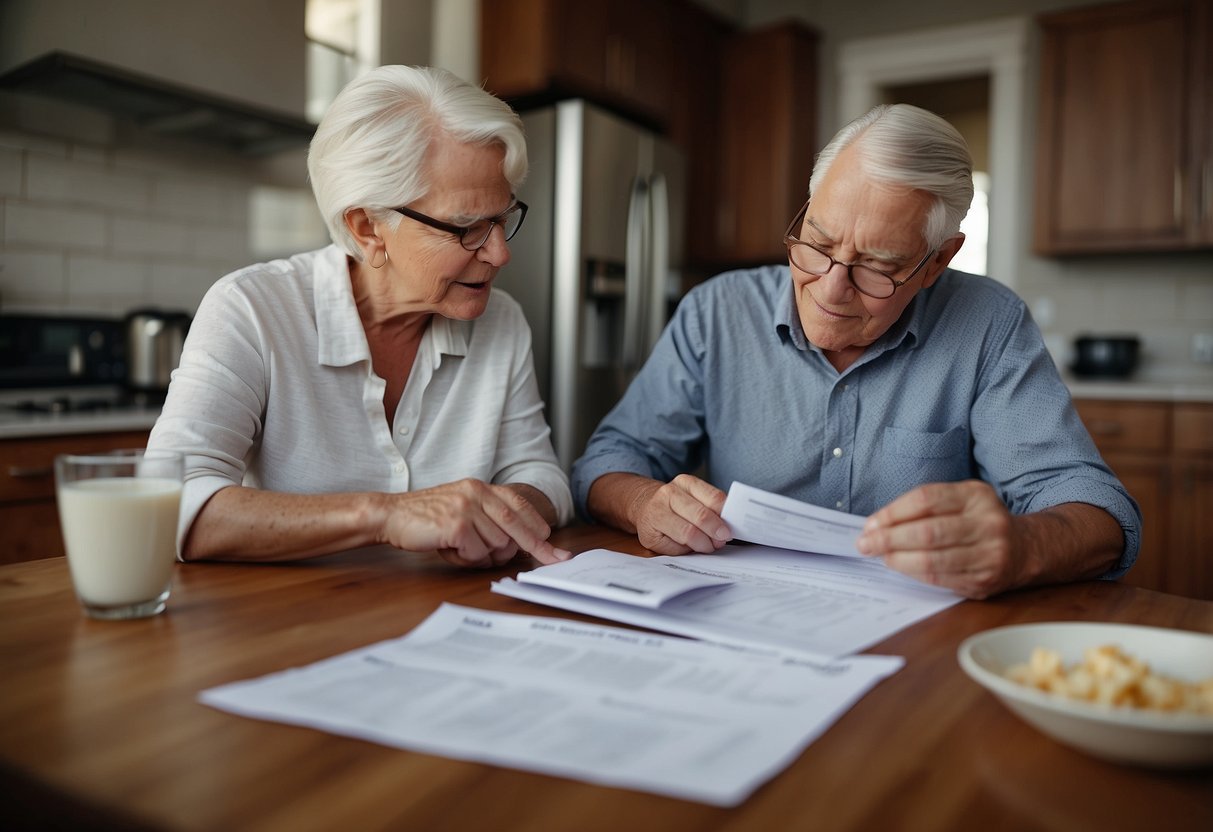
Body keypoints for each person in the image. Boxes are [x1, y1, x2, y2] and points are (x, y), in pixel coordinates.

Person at [572, 103, 1140, 600]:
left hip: (919, 645)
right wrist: (645, 503)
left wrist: (1022, 546)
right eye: (817, 244)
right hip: (743, 619)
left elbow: (1099, 512)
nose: (830, 288)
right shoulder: (715, 312)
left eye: (877, 267)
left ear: (937, 262)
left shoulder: (989, 324)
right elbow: (608, 460)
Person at [148, 65, 573, 568]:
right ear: (369, 227)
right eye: (467, 227)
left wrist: (506, 514)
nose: (499, 254)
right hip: (286, 631)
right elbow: (168, 504)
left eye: (502, 218)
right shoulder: (252, 309)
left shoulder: (501, 322)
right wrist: (384, 515)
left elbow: (541, 474)